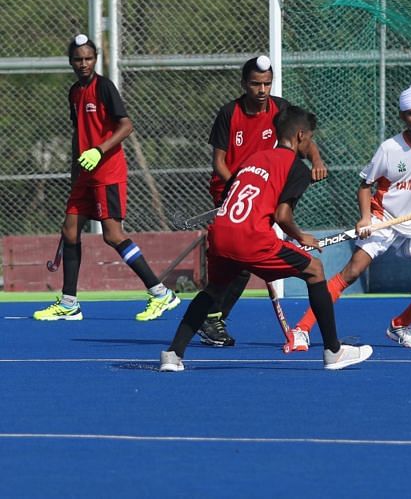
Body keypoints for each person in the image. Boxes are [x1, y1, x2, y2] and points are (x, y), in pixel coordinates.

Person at [160, 105, 371, 371]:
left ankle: (172, 354)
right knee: (315, 270)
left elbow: (232, 199)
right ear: (300, 136)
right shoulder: (295, 168)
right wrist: (300, 236)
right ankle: (333, 352)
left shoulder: (254, 158)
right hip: (251, 239)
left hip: (221, 234)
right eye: (311, 138)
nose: (311, 144)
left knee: (213, 290)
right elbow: (283, 215)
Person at [284, 82, 411, 352]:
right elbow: (365, 185)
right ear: (402, 116)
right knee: (350, 273)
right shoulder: (390, 149)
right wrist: (365, 218)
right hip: (384, 219)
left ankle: (399, 325)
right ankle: (301, 329)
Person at [33, 34, 179, 321]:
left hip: (107, 172)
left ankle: (161, 293)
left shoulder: (104, 88)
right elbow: (79, 133)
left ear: (95, 60)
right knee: (70, 231)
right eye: (78, 59)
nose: (83, 64)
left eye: (88, 58)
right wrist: (76, 173)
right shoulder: (74, 92)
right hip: (84, 175)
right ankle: (69, 303)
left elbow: (126, 126)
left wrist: (99, 151)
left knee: (112, 235)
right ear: (71, 62)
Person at [198, 55, 328, 347]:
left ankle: (209, 318)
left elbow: (304, 137)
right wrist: (236, 188)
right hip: (231, 190)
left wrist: (317, 160)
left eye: (267, 83)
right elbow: (218, 161)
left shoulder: (281, 109)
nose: (262, 90)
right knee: (240, 262)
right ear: (244, 84)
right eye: (256, 84)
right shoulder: (229, 113)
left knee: (241, 263)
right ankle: (211, 318)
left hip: (263, 194)